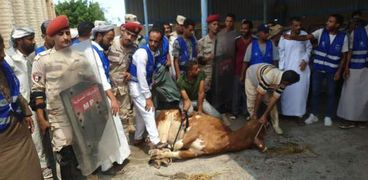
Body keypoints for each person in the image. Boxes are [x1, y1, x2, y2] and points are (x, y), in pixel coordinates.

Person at [31, 15, 87, 179]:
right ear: (52, 37)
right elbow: (37, 92)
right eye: (60, 34)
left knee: (82, 152)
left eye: (67, 33)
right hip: (59, 116)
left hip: (80, 112)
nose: (66, 37)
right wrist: (41, 119)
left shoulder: (79, 56)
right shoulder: (42, 60)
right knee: (65, 153)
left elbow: (88, 84)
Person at [5, 27, 52, 178]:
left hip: (33, 107)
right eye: (30, 39)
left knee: (41, 141)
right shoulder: (9, 60)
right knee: (35, 142)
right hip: (20, 111)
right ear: (19, 41)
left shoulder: (29, 58)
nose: (34, 42)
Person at [285, 14, 348, 126]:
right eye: (328, 21)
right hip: (318, 68)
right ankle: (313, 115)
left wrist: (339, 71)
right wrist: (292, 37)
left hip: (332, 70)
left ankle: (328, 116)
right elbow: (306, 37)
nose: (327, 23)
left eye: (330, 21)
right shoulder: (321, 32)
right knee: (315, 92)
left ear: (337, 24)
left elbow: (344, 56)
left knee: (331, 93)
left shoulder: (344, 37)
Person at [0, 33, 42, 180]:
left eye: (3, 49)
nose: (3, 55)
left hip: (21, 137)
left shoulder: (4, 67)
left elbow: (13, 91)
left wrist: (25, 110)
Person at [128, 26, 166, 149]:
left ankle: (138, 138)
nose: (153, 43)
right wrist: (148, 97)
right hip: (137, 86)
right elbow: (141, 76)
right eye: (151, 40)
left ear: (160, 42)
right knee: (149, 111)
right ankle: (155, 142)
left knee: (140, 114)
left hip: (142, 86)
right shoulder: (142, 53)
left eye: (156, 41)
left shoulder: (154, 52)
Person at [108, 22, 142, 139]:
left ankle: (125, 147)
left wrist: (130, 74)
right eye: (128, 34)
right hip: (108, 90)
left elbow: (136, 68)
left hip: (123, 90)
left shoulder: (134, 49)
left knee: (124, 118)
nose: (129, 38)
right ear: (122, 31)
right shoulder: (110, 44)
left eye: (133, 36)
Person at [245, 63, 300, 135]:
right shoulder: (270, 76)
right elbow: (259, 95)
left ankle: (276, 125)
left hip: (264, 78)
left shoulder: (284, 82)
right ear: (287, 82)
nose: (291, 85)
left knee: (272, 104)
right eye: (291, 84)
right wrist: (255, 114)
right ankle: (253, 121)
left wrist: (264, 116)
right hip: (252, 76)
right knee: (252, 99)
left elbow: (274, 99)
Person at [278, 17, 312, 121]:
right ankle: (285, 113)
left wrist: (305, 60)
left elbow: (309, 48)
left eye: (300, 25)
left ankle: (299, 114)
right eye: (296, 25)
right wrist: (281, 68)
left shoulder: (304, 35)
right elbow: (281, 52)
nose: (298, 27)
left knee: (301, 92)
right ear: (291, 26)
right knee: (287, 91)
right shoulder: (284, 37)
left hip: (301, 69)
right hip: (288, 68)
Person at [337, 16, 368, 128]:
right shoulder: (364, 32)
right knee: (362, 96)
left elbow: (349, 52)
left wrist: (346, 67)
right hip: (364, 68)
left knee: (350, 95)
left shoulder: (352, 34)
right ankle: (360, 121)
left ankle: (350, 121)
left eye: (350, 24)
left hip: (355, 69)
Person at [232, 19, 253, 118]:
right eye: (242, 28)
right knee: (236, 92)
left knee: (248, 93)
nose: (243, 30)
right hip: (237, 69)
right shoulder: (237, 41)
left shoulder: (254, 41)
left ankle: (246, 113)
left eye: (246, 29)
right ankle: (235, 113)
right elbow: (233, 55)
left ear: (250, 30)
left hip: (250, 71)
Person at [197, 14, 219, 92]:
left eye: (217, 24)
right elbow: (199, 61)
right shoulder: (201, 42)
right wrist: (209, 57)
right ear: (209, 26)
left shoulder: (220, 41)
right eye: (214, 24)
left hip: (218, 76)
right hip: (207, 76)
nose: (216, 26)